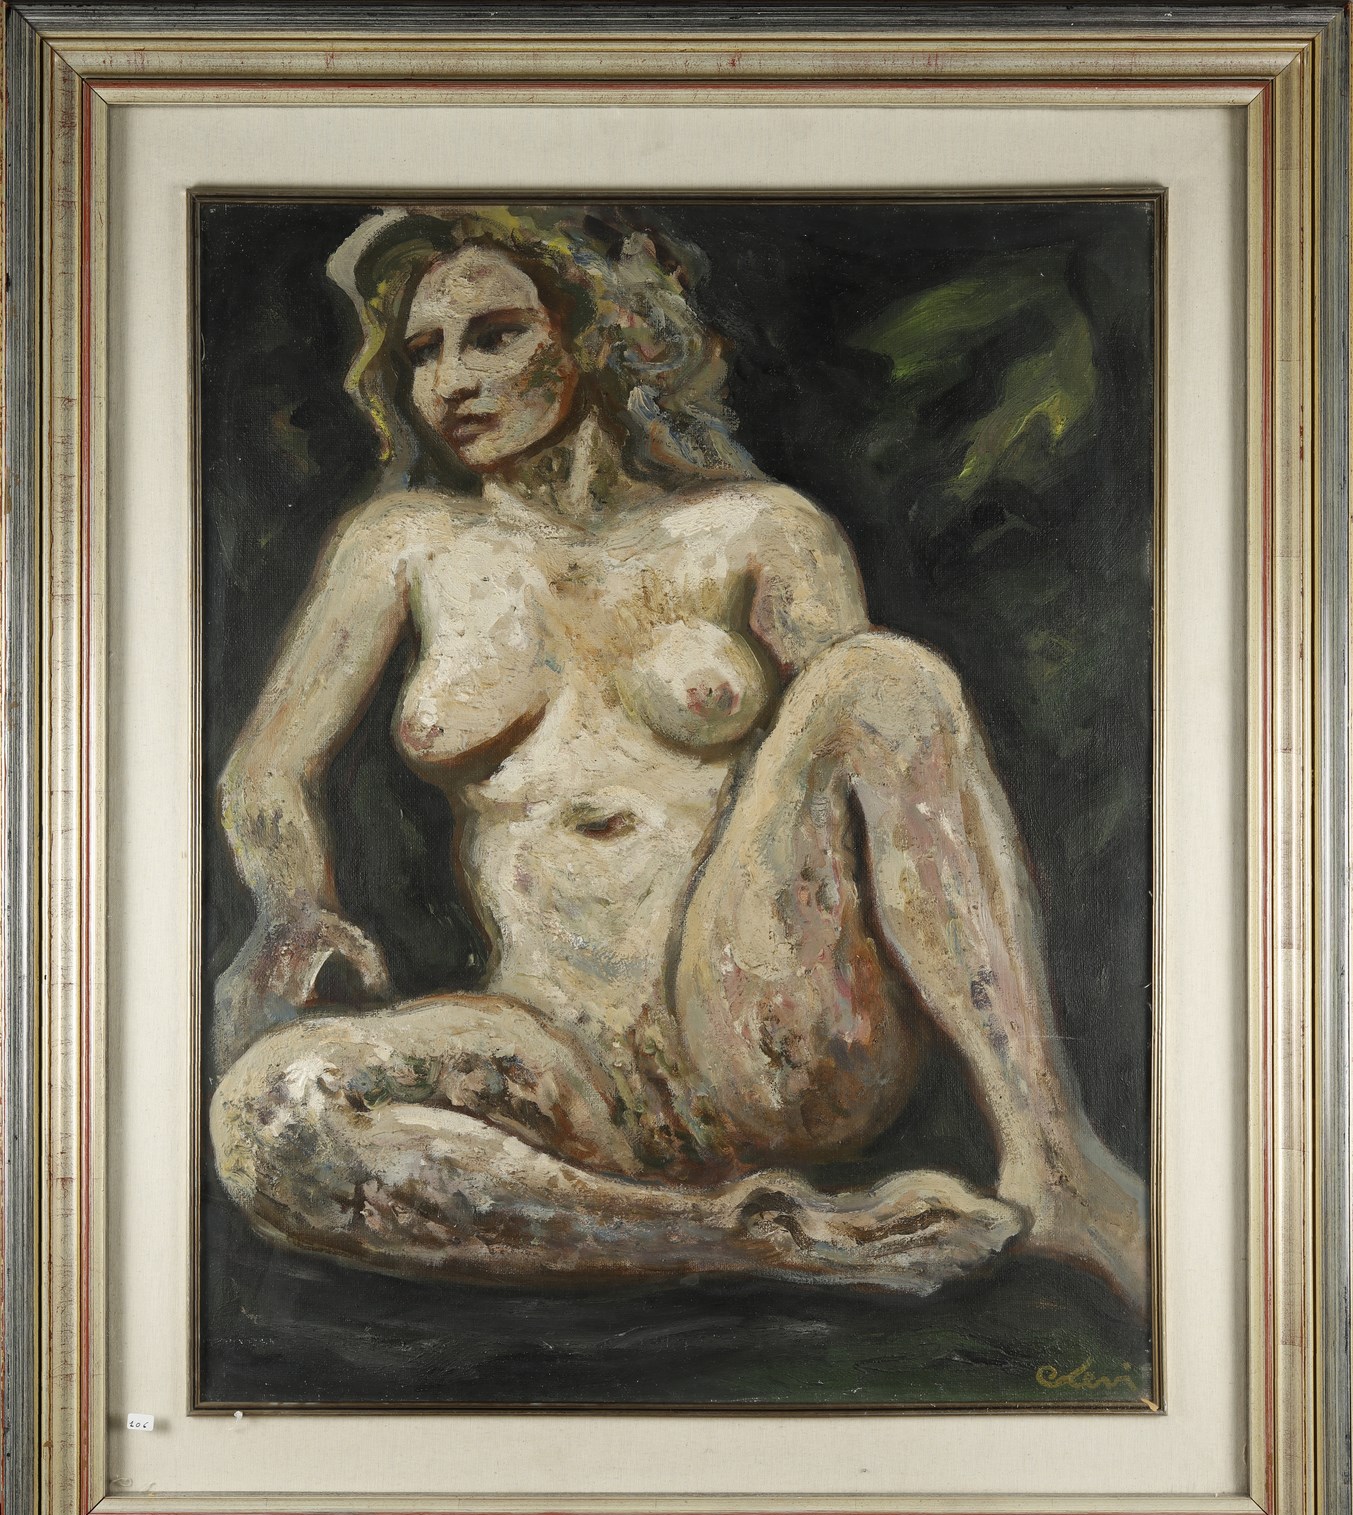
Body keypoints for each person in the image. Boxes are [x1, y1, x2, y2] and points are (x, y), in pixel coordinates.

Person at [209, 205, 1147, 1307]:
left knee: (882, 677)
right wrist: (291, 907)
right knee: (270, 1114)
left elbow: (888, 767)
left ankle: (1053, 1160)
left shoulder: (760, 531)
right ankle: (749, 1236)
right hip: (555, 1053)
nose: (452, 381)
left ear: (591, 334)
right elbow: (265, 769)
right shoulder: (404, 546)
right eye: (423, 352)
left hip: (764, 1022)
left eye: (495, 335)